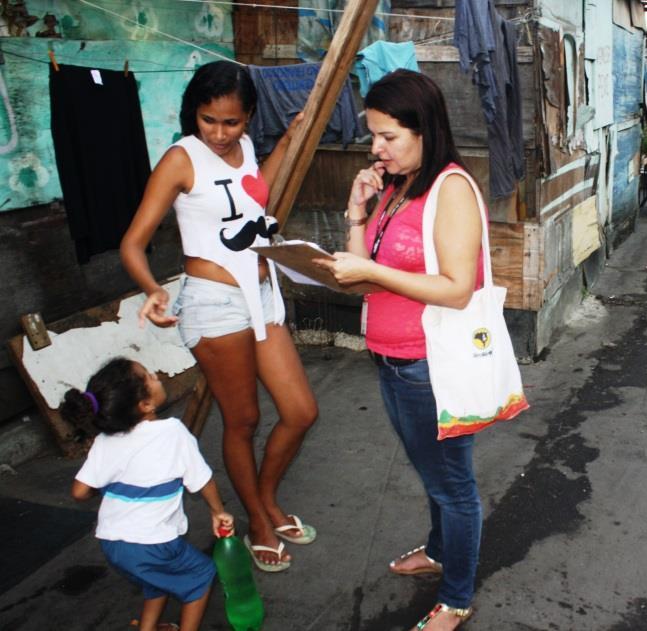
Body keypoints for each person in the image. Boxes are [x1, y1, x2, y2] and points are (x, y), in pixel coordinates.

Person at [120, 60, 318, 573]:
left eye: (232, 121)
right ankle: (257, 518)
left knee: (300, 411)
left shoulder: (246, 147)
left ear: (248, 115)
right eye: (209, 120)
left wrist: (290, 138)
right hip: (212, 303)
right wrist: (151, 290)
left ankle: (268, 498)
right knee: (243, 419)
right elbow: (133, 243)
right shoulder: (181, 159)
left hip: (263, 293)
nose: (220, 133)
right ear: (195, 114)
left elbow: (253, 193)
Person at [314, 69, 484, 630]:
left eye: (388, 136)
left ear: (424, 129)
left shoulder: (449, 188)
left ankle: (456, 597)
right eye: (373, 135)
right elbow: (360, 281)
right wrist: (357, 214)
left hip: (430, 364)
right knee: (432, 473)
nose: (376, 148)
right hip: (390, 359)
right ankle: (439, 551)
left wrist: (371, 268)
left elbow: (457, 289)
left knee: (453, 485)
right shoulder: (395, 187)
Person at [63, 358, 233, 631]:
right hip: (153, 543)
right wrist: (217, 511)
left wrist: (115, 487)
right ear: (146, 405)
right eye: (150, 377)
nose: (156, 375)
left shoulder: (106, 440)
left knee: (156, 578)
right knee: (201, 575)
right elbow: (203, 480)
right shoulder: (172, 432)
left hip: (113, 543)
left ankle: (148, 627)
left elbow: (80, 491)